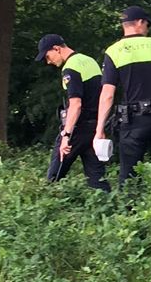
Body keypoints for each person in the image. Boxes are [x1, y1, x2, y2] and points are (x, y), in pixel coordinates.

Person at [94, 6, 151, 185]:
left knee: (129, 174)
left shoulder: (114, 51)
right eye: (147, 24)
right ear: (140, 22)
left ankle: (130, 209)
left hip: (133, 120)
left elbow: (108, 95)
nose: (148, 29)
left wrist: (99, 128)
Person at [35, 34, 111, 192]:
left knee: (54, 178)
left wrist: (66, 136)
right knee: (98, 181)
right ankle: (107, 211)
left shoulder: (70, 68)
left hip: (77, 129)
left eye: (48, 56)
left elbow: (76, 104)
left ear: (56, 49)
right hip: (94, 128)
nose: (48, 62)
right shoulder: (89, 61)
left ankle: (48, 206)